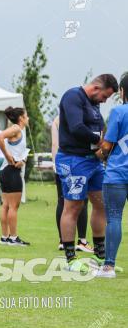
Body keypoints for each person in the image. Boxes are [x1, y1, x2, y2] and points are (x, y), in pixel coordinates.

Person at [55, 74, 118, 267]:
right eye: (105, 97)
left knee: (100, 204)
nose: (104, 101)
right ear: (96, 88)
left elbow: (100, 127)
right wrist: (100, 141)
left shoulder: (94, 104)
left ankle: (99, 254)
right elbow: (76, 128)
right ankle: (70, 258)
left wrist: (106, 144)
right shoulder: (72, 96)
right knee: (73, 207)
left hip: (94, 162)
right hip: (74, 160)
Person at [95, 73, 128, 277]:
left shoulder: (118, 112)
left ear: (123, 92)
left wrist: (96, 155)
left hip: (117, 174)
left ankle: (108, 266)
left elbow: (107, 146)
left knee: (114, 218)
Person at [51, 115, 91, 253]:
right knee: (82, 201)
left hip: (59, 163)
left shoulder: (56, 120)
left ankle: (63, 240)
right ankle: (81, 240)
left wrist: (55, 164)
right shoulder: (79, 119)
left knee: (62, 201)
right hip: (77, 163)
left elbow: (55, 144)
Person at [0, 107, 30, 246]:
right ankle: (14, 238)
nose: (28, 118)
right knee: (13, 207)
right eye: (26, 116)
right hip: (10, 171)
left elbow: (19, 151)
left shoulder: (18, 131)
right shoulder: (16, 128)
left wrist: (22, 160)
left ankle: (5, 237)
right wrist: (7, 155)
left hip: (6, 170)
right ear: (21, 117)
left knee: (6, 205)